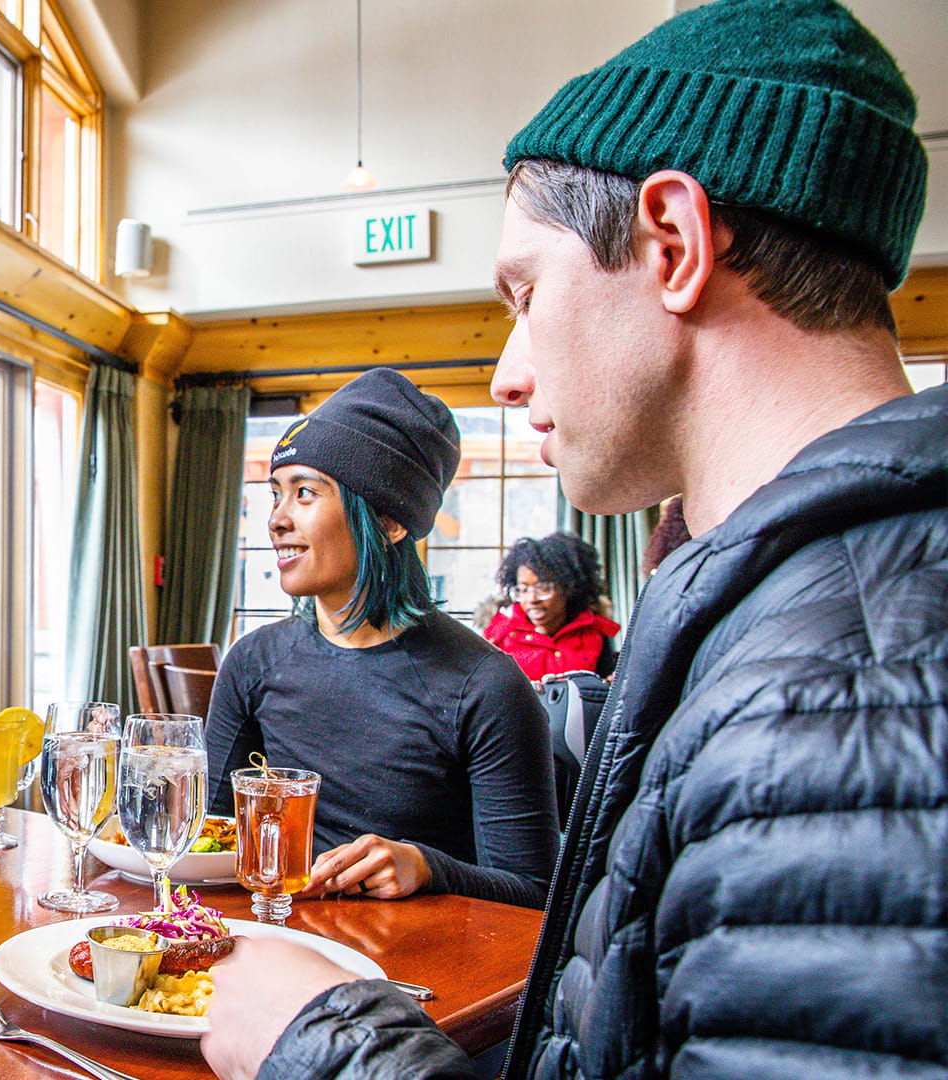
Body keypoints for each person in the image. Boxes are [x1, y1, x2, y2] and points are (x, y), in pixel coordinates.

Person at [202, 2, 946, 1078]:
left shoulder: (838, 705)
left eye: (526, 291)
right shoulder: (784, 618)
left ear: (675, 243)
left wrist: (326, 1047)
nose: (508, 372)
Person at [205, 368, 559, 909]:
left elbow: (535, 896)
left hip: (419, 973)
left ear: (391, 520)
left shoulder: (486, 686)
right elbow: (212, 832)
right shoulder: (254, 661)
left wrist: (426, 866)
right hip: (279, 940)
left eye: (305, 492)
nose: (276, 519)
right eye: (276, 494)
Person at [483, 532, 620, 679]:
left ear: (568, 587)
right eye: (523, 589)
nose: (532, 599)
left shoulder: (594, 632)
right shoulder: (499, 637)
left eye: (543, 588)